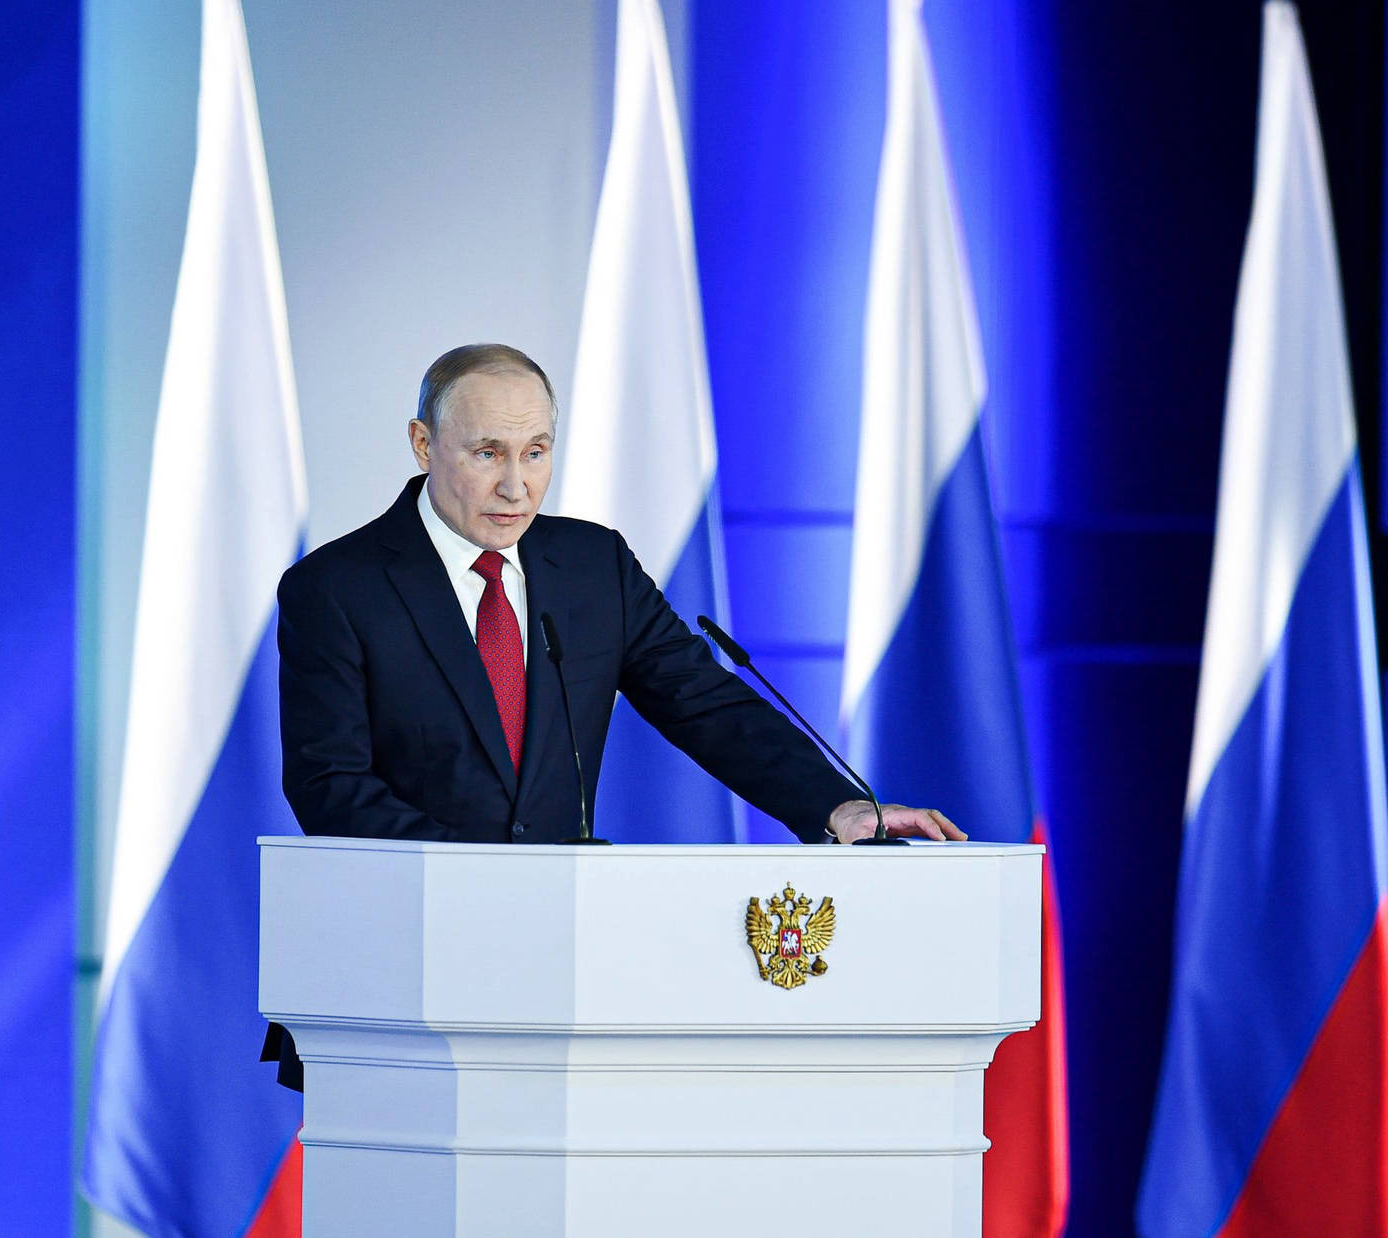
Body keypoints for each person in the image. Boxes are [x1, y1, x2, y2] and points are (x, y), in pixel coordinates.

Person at [265, 343, 964, 1087]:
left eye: (536, 452)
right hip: (400, 985)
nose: (516, 484)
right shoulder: (336, 587)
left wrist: (836, 806)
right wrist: (487, 886)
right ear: (422, 443)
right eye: (487, 453)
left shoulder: (593, 566)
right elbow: (329, 784)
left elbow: (705, 702)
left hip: (571, 981)